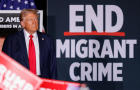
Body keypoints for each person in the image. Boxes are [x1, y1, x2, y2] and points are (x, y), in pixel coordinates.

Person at [2, 9, 57, 79]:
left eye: (36, 19)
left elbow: (52, 66)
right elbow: (5, 65)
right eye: (31, 19)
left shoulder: (47, 39)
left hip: (42, 82)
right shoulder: (11, 40)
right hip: (21, 82)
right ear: (23, 23)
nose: (35, 22)